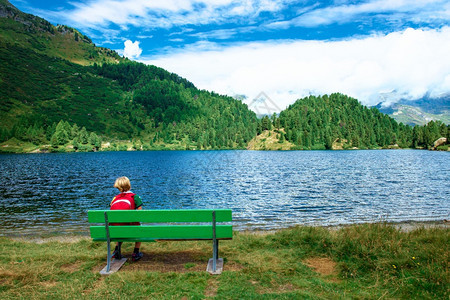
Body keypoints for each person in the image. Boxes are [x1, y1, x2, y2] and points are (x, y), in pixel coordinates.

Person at [110, 176, 143, 261]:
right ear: (129, 185)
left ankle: (117, 250)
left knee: (119, 224)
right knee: (139, 228)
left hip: (115, 230)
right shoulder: (134, 197)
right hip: (130, 229)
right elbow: (140, 214)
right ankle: (136, 252)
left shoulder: (115, 198)